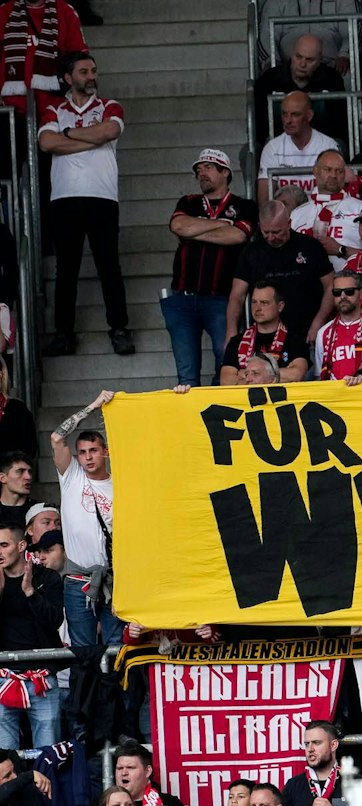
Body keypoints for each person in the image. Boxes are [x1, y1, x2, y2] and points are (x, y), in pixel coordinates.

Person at [37, 51, 128, 358]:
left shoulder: (109, 105)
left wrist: (67, 135)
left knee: (109, 267)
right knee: (66, 270)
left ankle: (119, 328)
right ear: (67, 77)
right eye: (84, 72)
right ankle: (64, 334)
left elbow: (110, 130)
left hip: (102, 197)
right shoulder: (53, 107)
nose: (91, 76)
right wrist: (91, 138)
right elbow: (47, 144)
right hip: (63, 199)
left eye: (93, 71)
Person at [163, 148, 254, 387]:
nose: (201, 173)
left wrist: (198, 230)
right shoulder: (189, 202)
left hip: (221, 298)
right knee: (186, 374)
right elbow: (179, 226)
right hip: (182, 297)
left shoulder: (243, 205)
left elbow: (237, 236)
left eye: (208, 167)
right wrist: (218, 225)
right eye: (198, 170)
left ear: (225, 172)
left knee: (225, 363)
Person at [48, 392, 115, 658]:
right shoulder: (71, 475)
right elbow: (56, 437)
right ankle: (86, 702)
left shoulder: (120, 483)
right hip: (78, 581)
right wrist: (94, 406)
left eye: (94, 451)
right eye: (83, 452)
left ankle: (116, 701)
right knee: (84, 656)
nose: (88, 457)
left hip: (114, 578)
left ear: (106, 452)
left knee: (116, 652)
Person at [229, 200, 332, 343]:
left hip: (307, 334)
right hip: (265, 335)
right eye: (266, 232)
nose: (271, 237)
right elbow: (237, 296)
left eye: (276, 232)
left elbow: (331, 285)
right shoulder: (251, 252)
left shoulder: (310, 247)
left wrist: (319, 322)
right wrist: (231, 331)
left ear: (289, 224)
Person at [0, 526, 65, 754]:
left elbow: (55, 620)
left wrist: (30, 592)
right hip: (3, 678)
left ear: (21, 546)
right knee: (4, 759)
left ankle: (44, 791)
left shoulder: (47, 577)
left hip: (42, 679)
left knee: (47, 756)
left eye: (4, 545)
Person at [256, 92, 340, 203]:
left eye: (295, 114)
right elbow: (265, 202)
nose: (288, 120)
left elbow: (336, 194)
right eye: (284, 114)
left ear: (309, 116)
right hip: (286, 217)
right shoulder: (272, 148)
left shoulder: (328, 146)